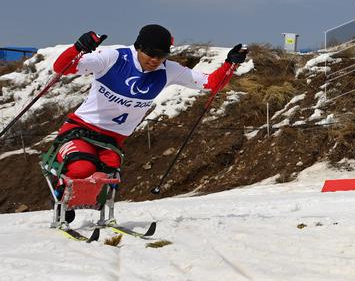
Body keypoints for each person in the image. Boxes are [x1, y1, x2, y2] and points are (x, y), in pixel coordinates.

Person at [46, 24, 248, 192]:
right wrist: (79, 47)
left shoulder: (168, 70)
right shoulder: (114, 58)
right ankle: (61, 188)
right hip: (81, 130)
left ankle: (91, 209)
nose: (155, 60)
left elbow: (212, 83)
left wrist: (231, 63)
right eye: (150, 53)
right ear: (138, 47)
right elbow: (61, 67)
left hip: (113, 139)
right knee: (82, 168)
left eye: (161, 55)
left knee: (106, 181)